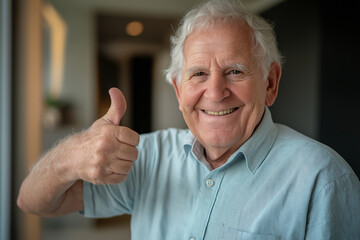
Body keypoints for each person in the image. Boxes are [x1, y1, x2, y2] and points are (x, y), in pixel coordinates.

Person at [17, 0, 360, 239]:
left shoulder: (323, 179)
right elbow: (32, 202)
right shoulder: (147, 156)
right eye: (198, 74)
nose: (215, 91)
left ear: (270, 83)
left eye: (235, 71)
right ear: (179, 92)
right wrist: (70, 157)